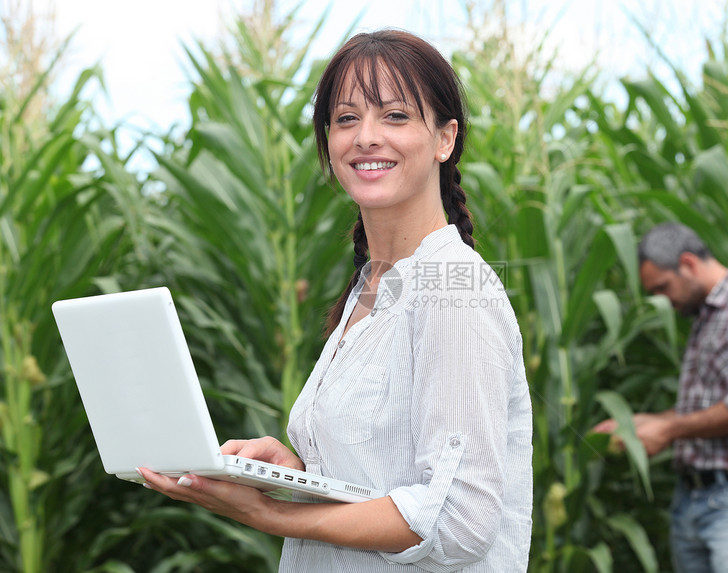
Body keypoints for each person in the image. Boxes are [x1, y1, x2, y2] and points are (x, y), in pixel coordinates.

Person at [138, 29, 533, 572]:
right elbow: (383, 477)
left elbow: (459, 520)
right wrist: (296, 472)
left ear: (445, 139)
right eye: (346, 119)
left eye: (395, 116)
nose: (366, 136)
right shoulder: (371, 288)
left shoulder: (451, 289)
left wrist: (271, 515)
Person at [593, 222, 728, 573]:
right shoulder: (708, 315)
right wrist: (650, 423)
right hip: (692, 500)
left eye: (663, 287)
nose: (662, 300)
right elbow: (709, 406)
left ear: (688, 263)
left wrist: (669, 432)